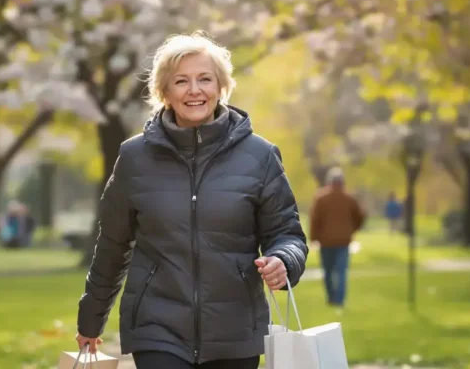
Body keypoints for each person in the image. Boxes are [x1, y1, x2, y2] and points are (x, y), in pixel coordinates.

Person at [75, 31, 308, 369]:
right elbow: (112, 246)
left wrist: (283, 260)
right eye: (181, 81)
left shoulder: (260, 156)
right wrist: (90, 321)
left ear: (221, 86)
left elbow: (287, 232)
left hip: (235, 330)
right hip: (157, 329)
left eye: (205, 79)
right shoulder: (134, 157)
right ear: (164, 92)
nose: (194, 90)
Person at [309, 167, 365, 307]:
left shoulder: (321, 198)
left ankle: (331, 297)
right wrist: (352, 229)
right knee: (341, 271)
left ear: (329, 182)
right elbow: (360, 217)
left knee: (328, 271)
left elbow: (315, 219)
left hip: (325, 241)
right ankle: (339, 300)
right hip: (343, 240)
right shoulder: (349, 198)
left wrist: (313, 237)